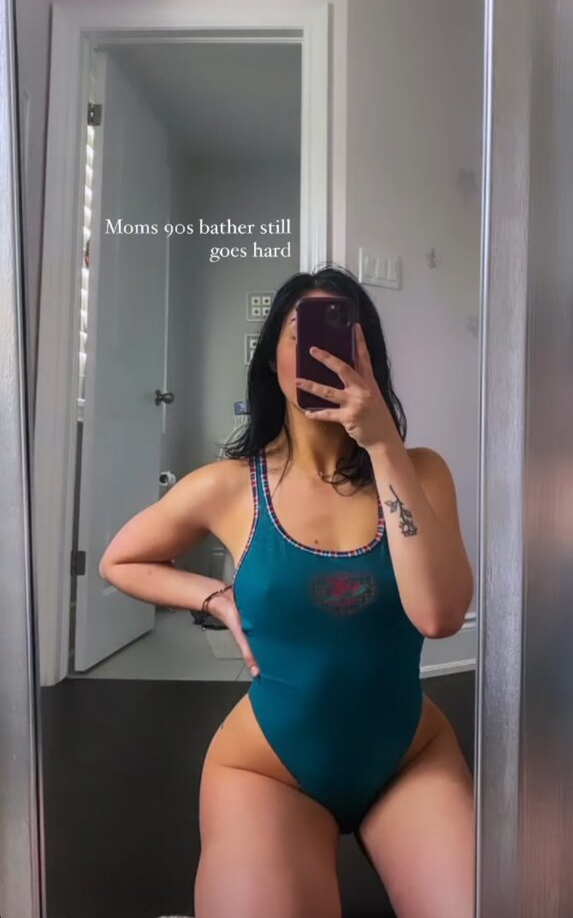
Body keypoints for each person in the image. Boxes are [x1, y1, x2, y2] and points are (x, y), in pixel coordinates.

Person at [100, 266, 475, 918]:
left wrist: (383, 444)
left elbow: (440, 616)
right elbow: (120, 560)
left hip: (410, 757)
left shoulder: (422, 471)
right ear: (272, 360)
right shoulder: (228, 485)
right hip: (269, 769)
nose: (319, 352)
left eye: (342, 336)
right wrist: (215, 597)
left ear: (369, 360)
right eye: (299, 335)